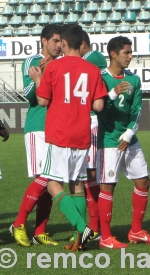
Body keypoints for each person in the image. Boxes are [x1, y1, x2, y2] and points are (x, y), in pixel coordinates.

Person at [30, 24, 107, 251]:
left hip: (59, 132)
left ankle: (82, 227)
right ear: (81, 43)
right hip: (82, 132)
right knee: (77, 186)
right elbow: (99, 105)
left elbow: (42, 101)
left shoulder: (54, 67)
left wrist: (37, 80)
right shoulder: (92, 69)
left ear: (63, 43)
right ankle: (78, 241)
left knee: (53, 183)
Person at [95, 36, 150, 249]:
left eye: (131, 52)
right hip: (108, 141)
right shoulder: (100, 78)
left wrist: (130, 133)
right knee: (108, 187)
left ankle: (136, 231)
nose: (131, 57)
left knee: (143, 182)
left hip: (129, 140)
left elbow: (137, 109)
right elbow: (94, 106)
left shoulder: (133, 80)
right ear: (113, 54)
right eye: (127, 53)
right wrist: (112, 94)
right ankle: (105, 237)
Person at [10, 24, 62, 247]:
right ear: (44, 41)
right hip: (37, 127)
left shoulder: (62, 64)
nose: (59, 45)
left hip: (57, 127)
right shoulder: (31, 62)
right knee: (45, 176)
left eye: (61, 41)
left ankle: (40, 231)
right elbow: (29, 96)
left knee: (54, 181)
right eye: (55, 41)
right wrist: (39, 76)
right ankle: (19, 223)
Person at [78, 26, 108, 240]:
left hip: (93, 120)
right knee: (89, 174)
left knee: (91, 173)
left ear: (82, 45)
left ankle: (95, 225)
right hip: (90, 120)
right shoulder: (94, 58)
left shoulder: (92, 59)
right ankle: (94, 224)